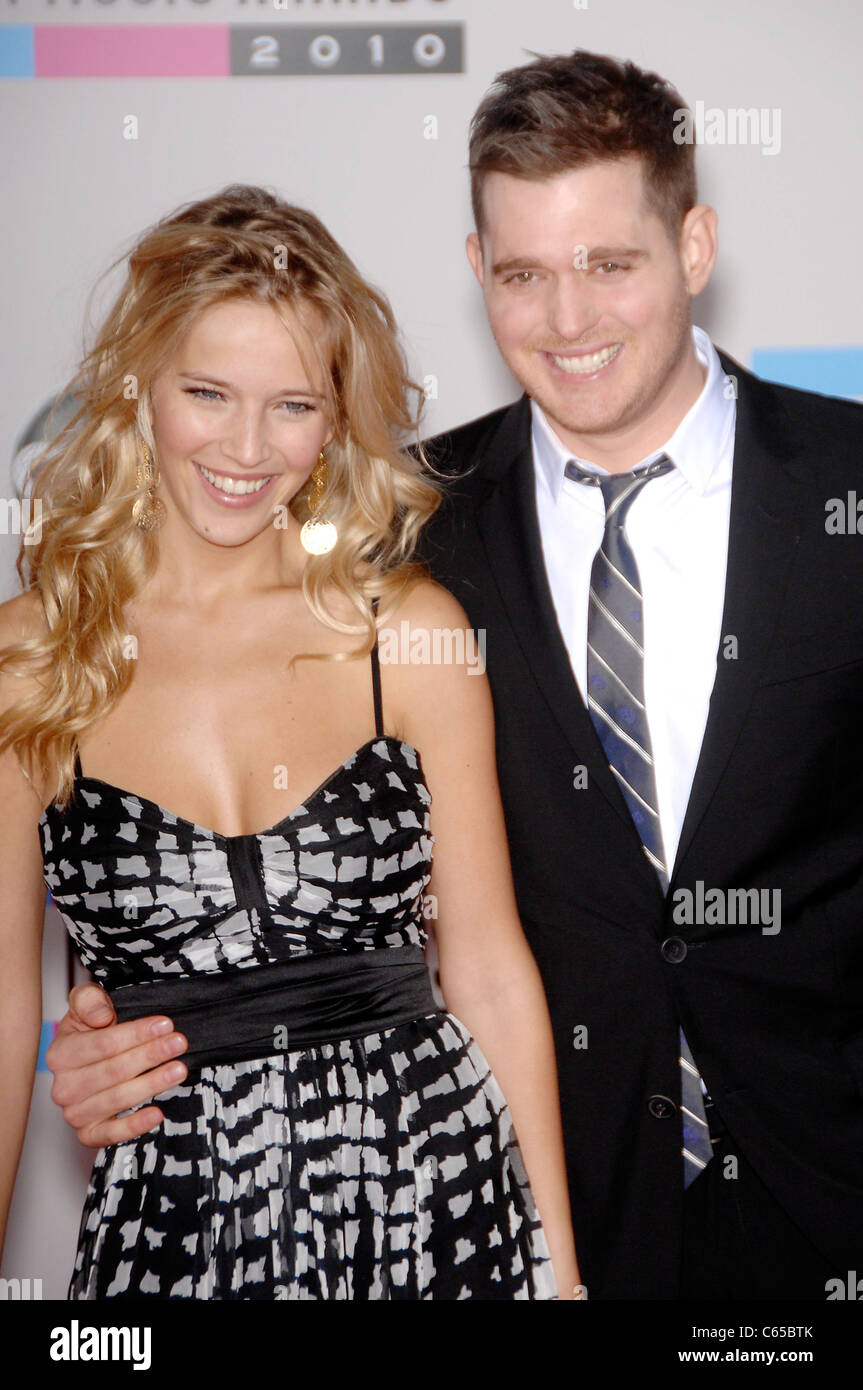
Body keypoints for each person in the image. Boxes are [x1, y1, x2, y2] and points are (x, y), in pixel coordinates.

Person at [45, 48, 863, 1300]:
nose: (568, 319)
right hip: (525, 1211)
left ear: (693, 247)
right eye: (524, 273)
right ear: (476, 269)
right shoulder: (397, 541)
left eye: (609, 264)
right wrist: (110, 1023)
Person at [0, 184, 582, 1299]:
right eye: (207, 393)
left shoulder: (404, 633)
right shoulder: (33, 659)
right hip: (172, 1228)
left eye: (293, 405)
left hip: (435, 1201)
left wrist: (556, 1277)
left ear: (335, 416)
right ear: (139, 394)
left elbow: (490, 970)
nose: (245, 447)